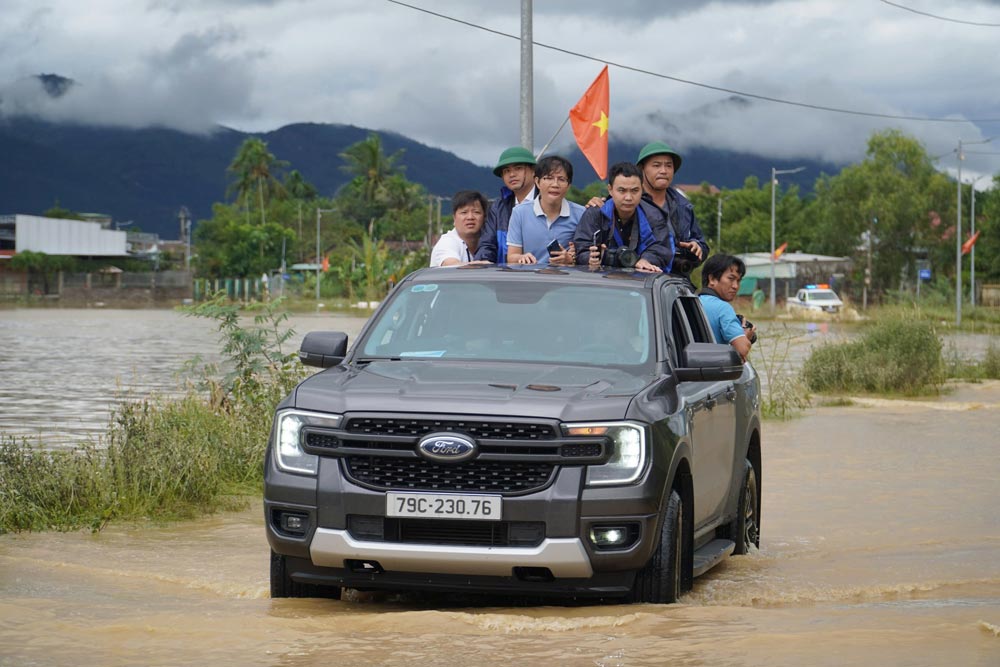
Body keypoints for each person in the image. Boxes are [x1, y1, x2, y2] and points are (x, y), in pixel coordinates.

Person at [572, 162, 674, 273]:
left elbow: (662, 249)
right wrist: (591, 258)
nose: (629, 197)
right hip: (600, 280)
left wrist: (646, 260)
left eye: (635, 191)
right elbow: (581, 248)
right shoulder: (595, 214)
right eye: (622, 190)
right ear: (610, 190)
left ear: (642, 189)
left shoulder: (654, 216)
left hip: (639, 280)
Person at [635, 141, 709, 275]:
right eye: (656, 165)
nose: (663, 171)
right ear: (642, 169)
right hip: (636, 281)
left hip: (675, 283)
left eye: (668, 166)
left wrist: (696, 248)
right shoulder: (629, 202)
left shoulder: (683, 206)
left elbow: (702, 245)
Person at [506, 155, 583, 267]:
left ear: (568, 185)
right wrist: (522, 257)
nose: (555, 184)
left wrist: (570, 259)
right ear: (537, 182)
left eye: (561, 179)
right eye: (549, 178)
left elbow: (587, 257)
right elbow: (511, 257)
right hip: (531, 279)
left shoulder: (581, 214)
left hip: (566, 280)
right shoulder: (520, 212)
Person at [474, 146, 537, 264]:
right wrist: (484, 260)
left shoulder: (548, 201)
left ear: (533, 171)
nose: (511, 174)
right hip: (506, 277)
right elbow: (487, 244)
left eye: (518, 168)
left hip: (542, 277)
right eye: (506, 171)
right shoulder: (497, 208)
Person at [698, 253, 756, 362]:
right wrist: (745, 335)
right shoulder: (723, 308)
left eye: (738, 281)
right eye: (731, 279)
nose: (735, 286)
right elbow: (742, 349)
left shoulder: (693, 301)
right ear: (712, 279)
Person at [429, 190, 488, 267]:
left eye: (476, 212)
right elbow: (451, 266)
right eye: (464, 212)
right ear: (454, 218)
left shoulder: (489, 242)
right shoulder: (447, 242)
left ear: (484, 217)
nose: (470, 217)